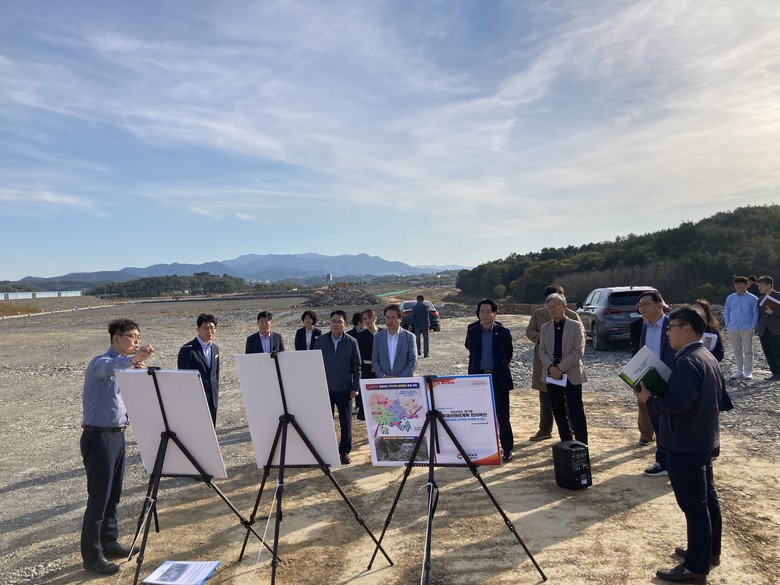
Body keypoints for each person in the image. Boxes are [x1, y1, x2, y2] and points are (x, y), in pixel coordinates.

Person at [636, 306, 724, 583]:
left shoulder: (687, 361)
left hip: (686, 443)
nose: (667, 333)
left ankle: (695, 567)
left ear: (686, 329)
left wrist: (650, 399)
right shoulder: (706, 356)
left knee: (694, 505)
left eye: (671, 328)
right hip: (703, 439)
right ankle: (708, 552)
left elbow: (680, 404)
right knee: (707, 499)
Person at [81, 319, 154, 575]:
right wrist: (133, 360)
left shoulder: (127, 366)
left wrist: (136, 369)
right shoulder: (100, 362)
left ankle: (109, 542)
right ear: (116, 338)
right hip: (98, 436)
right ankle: (92, 556)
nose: (136, 341)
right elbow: (110, 367)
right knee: (99, 498)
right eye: (132, 336)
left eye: (138, 336)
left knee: (113, 495)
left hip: (117, 435)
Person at [525, 284, 581, 441]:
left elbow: (580, 338)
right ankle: (545, 429)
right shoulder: (538, 314)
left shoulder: (572, 316)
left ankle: (572, 431)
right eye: (550, 299)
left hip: (568, 364)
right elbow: (529, 331)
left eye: (558, 298)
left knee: (570, 401)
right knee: (545, 397)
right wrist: (544, 337)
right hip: (546, 362)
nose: (554, 304)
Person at [465, 298, 515, 461]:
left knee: (502, 414)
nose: (485, 315)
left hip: (497, 377)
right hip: (478, 377)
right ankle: (484, 447)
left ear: (495, 314)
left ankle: (507, 448)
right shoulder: (472, 331)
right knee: (480, 414)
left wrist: (497, 367)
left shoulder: (503, 332)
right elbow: (470, 348)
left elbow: (508, 354)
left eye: (488, 312)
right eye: (482, 312)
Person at [538, 293, 589, 446]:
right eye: (549, 307)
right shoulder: (545, 328)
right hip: (552, 375)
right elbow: (542, 351)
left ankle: (581, 445)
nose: (552, 310)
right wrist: (551, 367)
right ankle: (566, 443)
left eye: (555, 307)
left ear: (564, 307)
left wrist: (560, 368)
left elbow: (578, 351)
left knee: (576, 411)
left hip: (571, 374)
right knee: (558, 411)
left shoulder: (576, 326)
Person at [635, 291, 676, 475]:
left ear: (659, 305)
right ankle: (662, 461)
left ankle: (672, 461)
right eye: (640, 305)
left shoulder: (671, 325)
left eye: (646, 304)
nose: (642, 308)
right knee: (657, 423)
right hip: (651, 380)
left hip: (670, 379)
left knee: (672, 424)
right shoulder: (644, 327)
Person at [314, 310, 361, 464]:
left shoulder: (351, 342)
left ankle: (344, 451)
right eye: (333, 321)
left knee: (345, 423)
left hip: (344, 389)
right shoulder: (320, 341)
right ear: (330, 323)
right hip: (325, 389)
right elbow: (313, 364)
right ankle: (326, 451)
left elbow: (357, 366)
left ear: (345, 324)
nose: (335, 324)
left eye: (339, 322)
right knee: (324, 422)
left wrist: (355, 387)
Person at [178, 314, 220, 425]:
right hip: (196, 398)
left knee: (211, 428)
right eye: (205, 328)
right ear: (198, 329)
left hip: (212, 398)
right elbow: (183, 378)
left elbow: (215, 374)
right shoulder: (187, 349)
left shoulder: (215, 348)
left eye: (212, 328)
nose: (209, 331)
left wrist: (215, 393)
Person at [723, 276, 758, 380]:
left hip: (747, 327)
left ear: (746, 285)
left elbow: (755, 313)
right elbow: (726, 311)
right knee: (736, 350)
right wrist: (728, 324)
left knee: (748, 350)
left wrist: (753, 326)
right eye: (737, 284)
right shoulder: (730, 298)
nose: (738, 286)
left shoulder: (752, 298)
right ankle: (739, 370)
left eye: (741, 283)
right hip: (733, 327)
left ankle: (748, 371)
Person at [372, 304, 418, 378]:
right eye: (387, 317)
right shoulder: (378, 337)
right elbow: (375, 360)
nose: (390, 321)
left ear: (400, 319)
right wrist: (383, 376)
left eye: (393, 317)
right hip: (383, 381)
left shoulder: (409, 337)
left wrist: (399, 378)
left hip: (403, 381)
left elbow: (412, 361)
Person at [356, 308, 382, 420]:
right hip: (367, 368)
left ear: (375, 318)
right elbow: (363, 353)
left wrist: (378, 365)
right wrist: (373, 363)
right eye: (365, 319)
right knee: (368, 394)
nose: (367, 321)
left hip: (383, 368)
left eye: (369, 317)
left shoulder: (383, 333)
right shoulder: (361, 335)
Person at [756, 275, 780, 380]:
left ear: (769, 285)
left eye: (761, 285)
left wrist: (773, 313)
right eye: (758, 285)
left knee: (777, 351)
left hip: (776, 329)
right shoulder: (760, 299)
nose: (759, 288)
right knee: (768, 352)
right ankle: (775, 373)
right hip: (763, 330)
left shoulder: (778, 296)